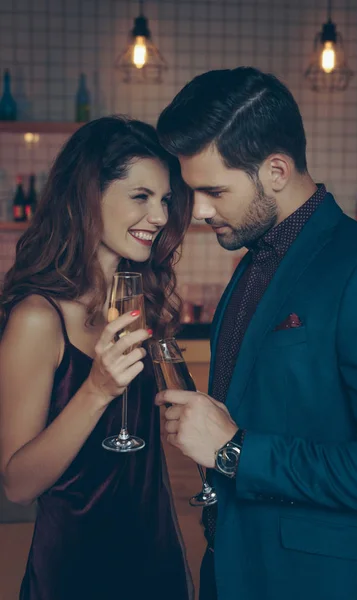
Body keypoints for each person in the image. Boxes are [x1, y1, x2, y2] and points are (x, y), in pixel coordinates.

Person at [155, 66, 357, 600]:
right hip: (236, 569)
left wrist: (235, 451)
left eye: (213, 190)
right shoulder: (253, 258)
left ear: (276, 170)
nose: (198, 211)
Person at [0, 116, 194, 600]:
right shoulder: (37, 318)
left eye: (166, 200)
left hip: (155, 557)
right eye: (141, 196)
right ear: (89, 196)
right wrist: (97, 390)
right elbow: (17, 485)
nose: (159, 216)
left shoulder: (135, 305)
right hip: (77, 569)